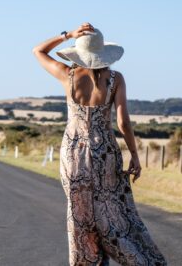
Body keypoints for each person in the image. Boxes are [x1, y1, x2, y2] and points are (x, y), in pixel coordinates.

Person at [32, 22, 167, 265]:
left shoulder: (67, 75)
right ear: (103, 53)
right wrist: (134, 155)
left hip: (73, 153)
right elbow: (123, 122)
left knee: (80, 213)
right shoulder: (116, 80)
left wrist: (68, 35)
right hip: (105, 152)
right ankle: (140, 260)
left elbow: (38, 51)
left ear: (79, 53)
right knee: (113, 212)